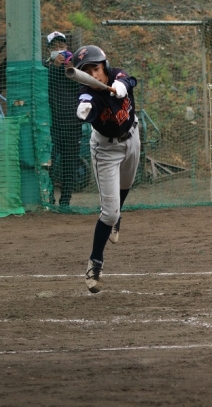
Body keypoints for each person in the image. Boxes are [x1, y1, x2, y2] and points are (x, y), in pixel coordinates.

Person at [72, 45, 140, 293]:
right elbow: (86, 104)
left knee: (127, 183)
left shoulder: (117, 75)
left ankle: (117, 217)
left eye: (96, 69)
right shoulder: (88, 95)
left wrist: (122, 86)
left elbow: (129, 80)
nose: (94, 75)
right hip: (106, 149)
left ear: (105, 66)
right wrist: (85, 110)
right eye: (88, 72)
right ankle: (95, 263)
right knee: (109, 214)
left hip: (132, 135)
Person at [44, 31, 80, 207]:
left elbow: (84, 88)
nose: (59, 49)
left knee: (69, 165)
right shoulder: (44, 68)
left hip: (73, 124)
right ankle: (48, 199)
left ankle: (65, 202)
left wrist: (72, 72)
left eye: (62, 45)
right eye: (55, 46)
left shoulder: (75, 68)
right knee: (48, 163)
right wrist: (55, 67)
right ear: (49, 50)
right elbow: (44, 86)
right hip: (52, 126)